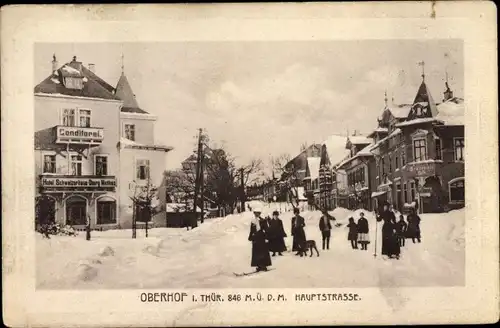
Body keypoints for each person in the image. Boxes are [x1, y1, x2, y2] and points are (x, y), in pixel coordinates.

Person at [248, 208, 272, 272]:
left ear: (259, 214)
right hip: (256, 238)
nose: (256, 214)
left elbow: (267, 229)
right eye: (255, 213)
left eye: (257, 213)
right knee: (256, 253)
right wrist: (251, 237)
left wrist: (267, 238)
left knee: (263, 252)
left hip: (262, 238)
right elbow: (252, 230)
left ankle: (264, 265)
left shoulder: (263, 220)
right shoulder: (253, 221)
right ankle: (258, 265)